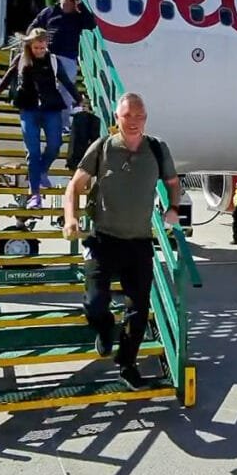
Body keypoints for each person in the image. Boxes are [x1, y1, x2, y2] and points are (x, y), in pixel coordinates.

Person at [63, 92, 180, 390]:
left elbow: (173, 183)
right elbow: (74, 186)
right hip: (103, 240)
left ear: (146, 118)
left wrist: (174, 208)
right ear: (117, 117)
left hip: (139, 243)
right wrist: (71, 218)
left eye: (139, 116)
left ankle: (127, 363)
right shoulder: (103, 147)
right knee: (95, 302)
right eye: (128, 116)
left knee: (139, 310)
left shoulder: (157, 148)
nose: (134, 122)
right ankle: (104, 327)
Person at [0, 28, 78, 209]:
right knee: (33, 153)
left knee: (55, 145)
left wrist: (79, 99)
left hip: (51, 108)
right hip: (28, 109)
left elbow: (66, 81)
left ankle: (42, 171)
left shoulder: (52, 60)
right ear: (29, 46)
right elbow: (8, 76)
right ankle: (35, 195)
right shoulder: (21, 60)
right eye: (36, 48)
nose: (40, 51)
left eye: (42, 47)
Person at [28, 0, 96, 132]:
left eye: (74, 1)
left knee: (65, 90)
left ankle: (63, 124)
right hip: (48, 54)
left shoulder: (78, 16)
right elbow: (34, 26)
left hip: (68, 57)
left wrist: (81, 6)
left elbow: (91, 25)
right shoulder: (50, 11)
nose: (71, 3)